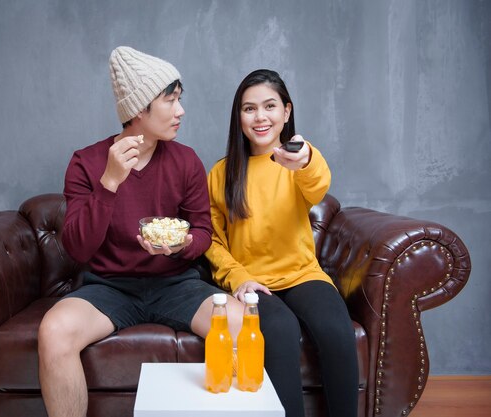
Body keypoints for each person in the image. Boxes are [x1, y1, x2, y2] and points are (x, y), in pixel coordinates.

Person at [37, 46, 244, 417]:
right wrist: (110, 183)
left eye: (180, 99)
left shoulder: (186, 160)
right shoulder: (87, 163)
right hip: (108, 287)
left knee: (239, 323)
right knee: (54, 331)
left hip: (176, 284)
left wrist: (180, 246)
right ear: (138, 109)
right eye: (170, 101)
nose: (180, 111)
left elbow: (202, 232)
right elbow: (78, 248)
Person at [205, 69, 359, 417]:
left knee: (337, 331)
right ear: (239, 117)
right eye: (249, 108)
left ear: (286, 112)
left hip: (303, 275)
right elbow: (213, 242)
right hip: (253, 283)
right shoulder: (220, 173)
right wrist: (239, 278)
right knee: (280, 332)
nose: (260, 117)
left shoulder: (298, 161)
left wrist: (304, 159)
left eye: (270, 106)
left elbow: (318, 183)